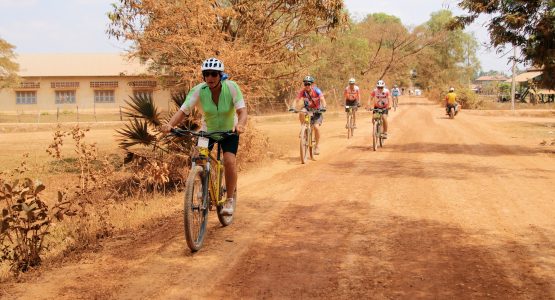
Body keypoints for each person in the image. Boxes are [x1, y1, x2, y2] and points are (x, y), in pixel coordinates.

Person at [161, 58, 247, 216]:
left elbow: (242, 111)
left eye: (214, 74)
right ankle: (203, 185)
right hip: (207, 131)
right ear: (203, 76)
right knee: (199, 156)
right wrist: (170, 125)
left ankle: (229, 200)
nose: (210, 78)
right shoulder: (198, 90)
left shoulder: (232, 87)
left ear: (220, 75)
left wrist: (240, 125)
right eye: (206, 74)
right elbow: (183, 111)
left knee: (229, 161)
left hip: (230, 131)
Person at [289, 75, 327, 155]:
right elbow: (296, 100)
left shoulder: (317, 90)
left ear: (312, 84)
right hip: (308, 109)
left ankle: (317, 146)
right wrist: (292, 107)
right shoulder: (303, 92)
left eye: (308, 84)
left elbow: (322, 99)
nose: (307, 86)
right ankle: (304, 127)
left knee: (316, 128)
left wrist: (324, 107)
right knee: (301, 112)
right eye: (305, 84)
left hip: (317, 110)